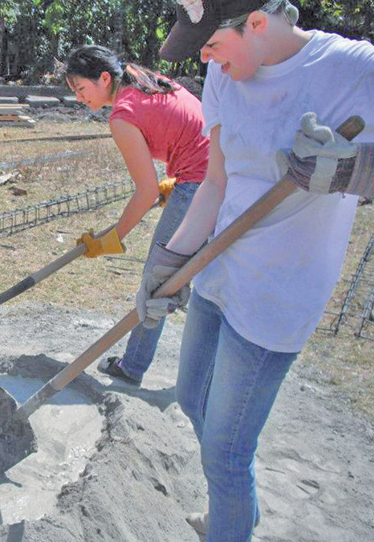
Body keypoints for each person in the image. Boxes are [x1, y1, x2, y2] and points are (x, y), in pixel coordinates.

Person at [135, 1, 373, 540]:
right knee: (191, 400)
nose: (205, 60)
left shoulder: (355, 70)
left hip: (276, 297)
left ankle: (228, 517)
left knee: (225, 452)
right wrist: (168, 262)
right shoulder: (224, 76)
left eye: (212, 45)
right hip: (219, 274)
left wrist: (353, 171)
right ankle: (236, 510)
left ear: (257, 23)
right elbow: (216, 181)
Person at [64, 45, 209, 385]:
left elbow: (145, 193)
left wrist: (110, 241)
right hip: (217, 172)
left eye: (81, 89)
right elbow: (185, 127)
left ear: (103, 79)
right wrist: (173, 181)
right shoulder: (144, 81)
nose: (79, 98)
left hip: (201, 182)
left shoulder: (122, 116)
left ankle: (131, 368)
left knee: (157, 280)